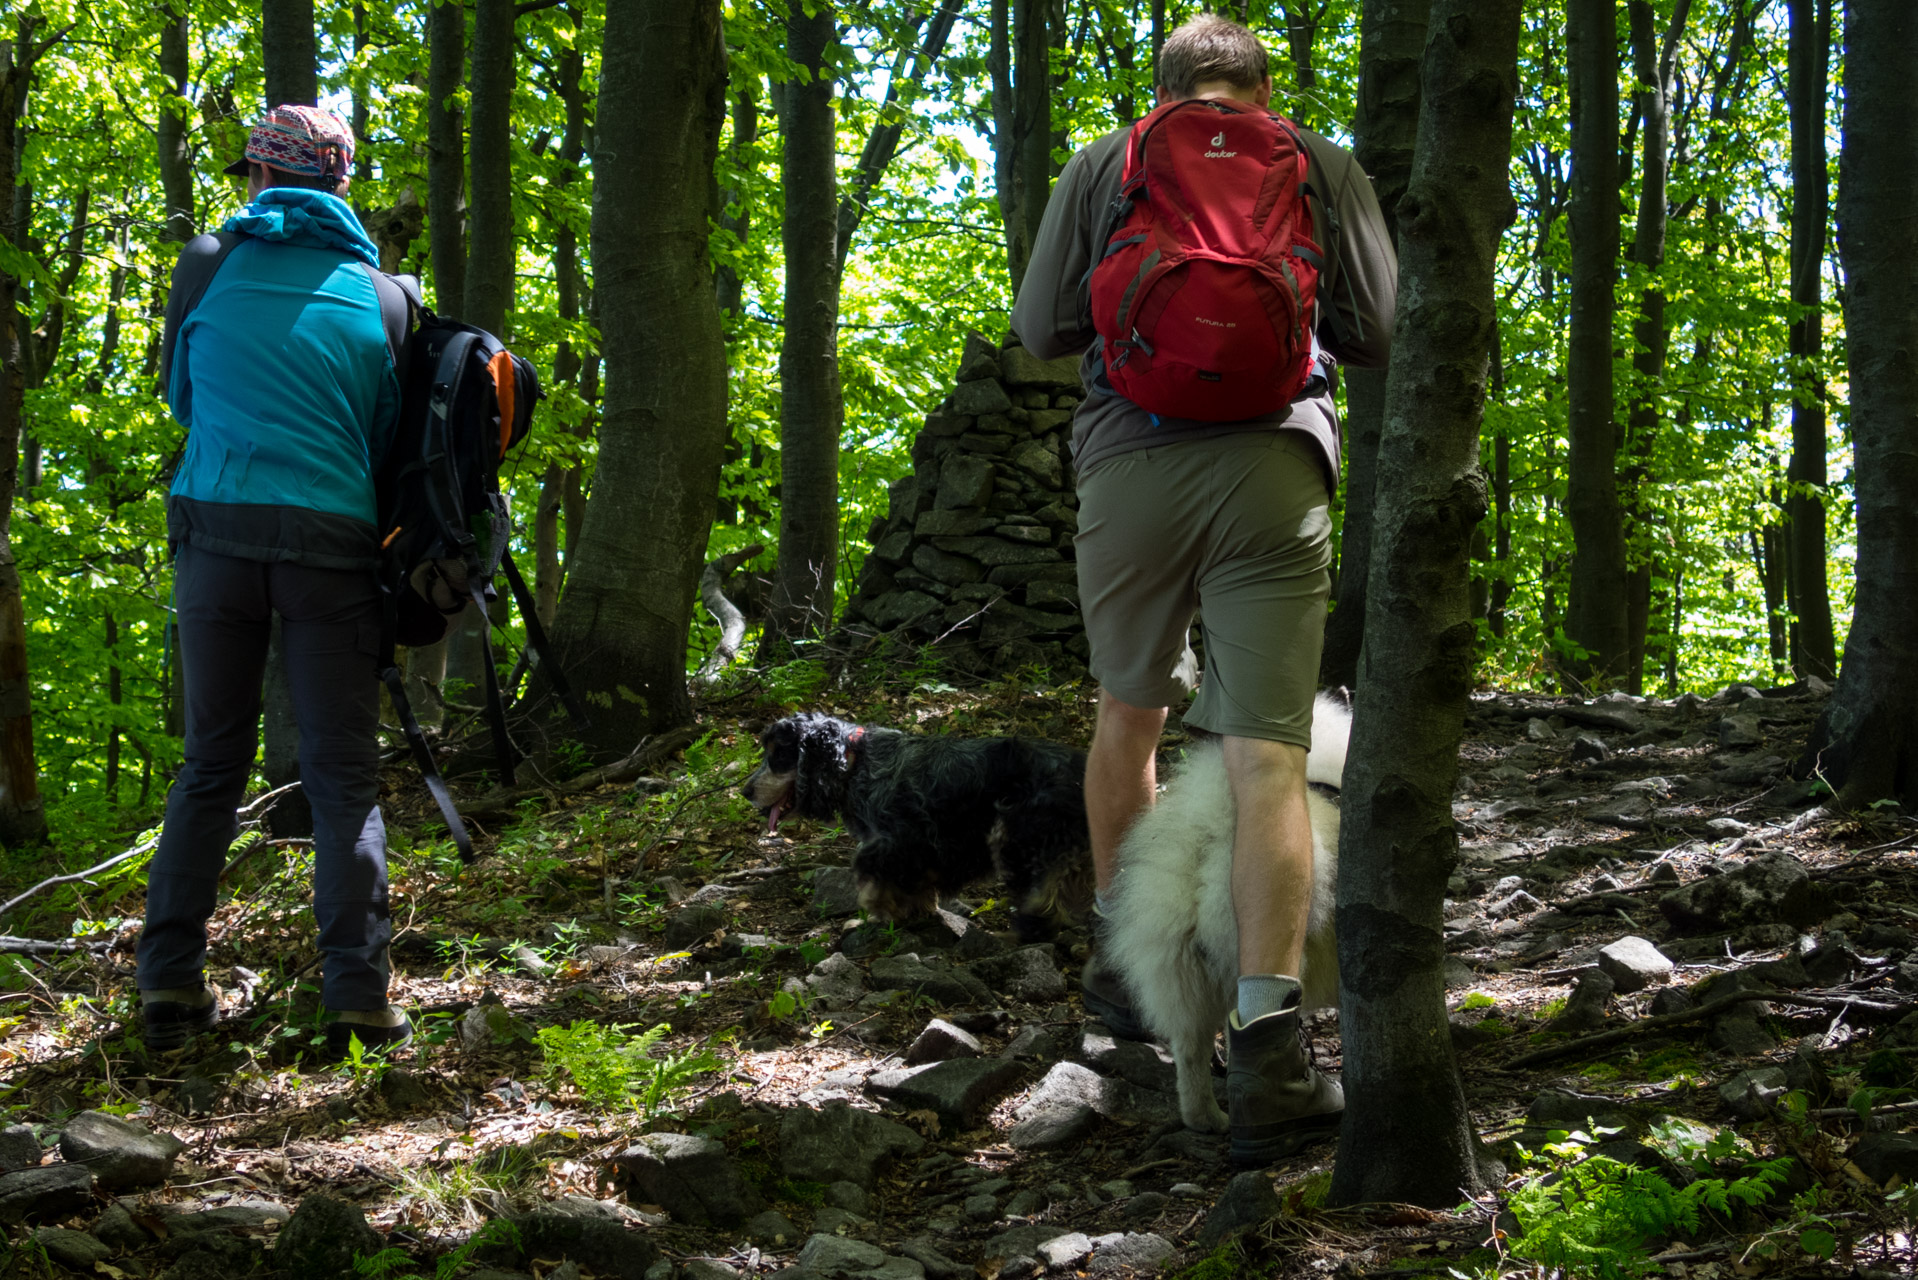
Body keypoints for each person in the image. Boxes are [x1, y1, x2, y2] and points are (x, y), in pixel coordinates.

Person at [1011, 15, 1396, 1161]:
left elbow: (1039, 327)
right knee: (1266, 752)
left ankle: (1126, 992)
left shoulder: (1108, 159)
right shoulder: (1317, 161)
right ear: (1263, 86)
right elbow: (1373, 327)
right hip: (1278, 468)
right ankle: (1270, 1048)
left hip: (1127, 460)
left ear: (1166, 89)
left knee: (1128, 714)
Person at [140, 105, 412, 1059]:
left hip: (214, 533)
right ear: (341, 185)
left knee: (210, 765)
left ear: (258, 176)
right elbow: (385, 445)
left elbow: (179, 392)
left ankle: (169, 984)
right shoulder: (384, 297)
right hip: (333, 550)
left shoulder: (207, 266)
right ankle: (357, 996)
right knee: (342, 777)